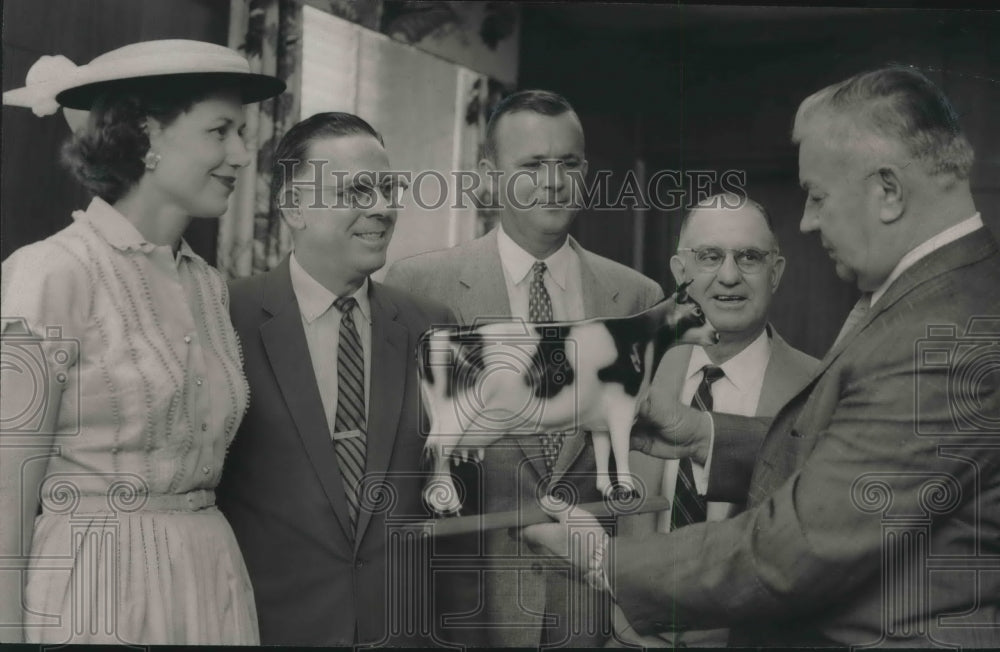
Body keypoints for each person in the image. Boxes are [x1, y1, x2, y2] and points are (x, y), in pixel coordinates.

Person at [523, 66, 1000, 647]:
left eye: (818, 196)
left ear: (889, 190)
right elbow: (848, 463)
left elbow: (800, 547)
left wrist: (603, 561)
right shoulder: (941, 298)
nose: (807, 220)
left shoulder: (941, 332)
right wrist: (705, 437)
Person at [0, 40, 284, 644]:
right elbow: (5, 490)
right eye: (220, 131)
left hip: (208, 577)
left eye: (241, 133)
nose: (241, 154)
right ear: (147, 136)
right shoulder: (49, 272)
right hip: (94, 587)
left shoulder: (209, 286)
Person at [384, 89, 664, 648]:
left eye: (569, 164)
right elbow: (401, 459)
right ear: (489, 176)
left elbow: (640, 463)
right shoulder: (415, 288)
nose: (554, 181)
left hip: (588, 606)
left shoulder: (636, 297)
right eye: (532, 165)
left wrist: (632, 611)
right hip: (464, 604)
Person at [216, 112, 453, 646]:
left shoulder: (432, 325)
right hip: (270, 631)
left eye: (388, 189)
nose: (382, 209)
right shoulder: (225, 317)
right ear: (294, 207)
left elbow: (453, 506)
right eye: (356, 191)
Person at [615, 193, 818, 647]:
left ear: (776, 272)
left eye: (749, 257)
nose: (729, 275)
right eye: (709, 256)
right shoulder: (629, 376)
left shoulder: (821, 392)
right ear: (680, 272)